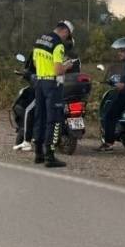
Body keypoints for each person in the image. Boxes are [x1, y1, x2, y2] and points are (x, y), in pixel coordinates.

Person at [32, 20, 75, 168]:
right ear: (65, 31)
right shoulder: (58, 45)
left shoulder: (40, 40)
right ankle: (50, 156)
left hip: (39, 82)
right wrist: (67, 66)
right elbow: (58, 70)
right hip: (52, 84)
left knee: (40, 117)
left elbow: (36, 63)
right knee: (54, 120)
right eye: (67, 36)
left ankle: (38, 153)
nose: (65, 39)